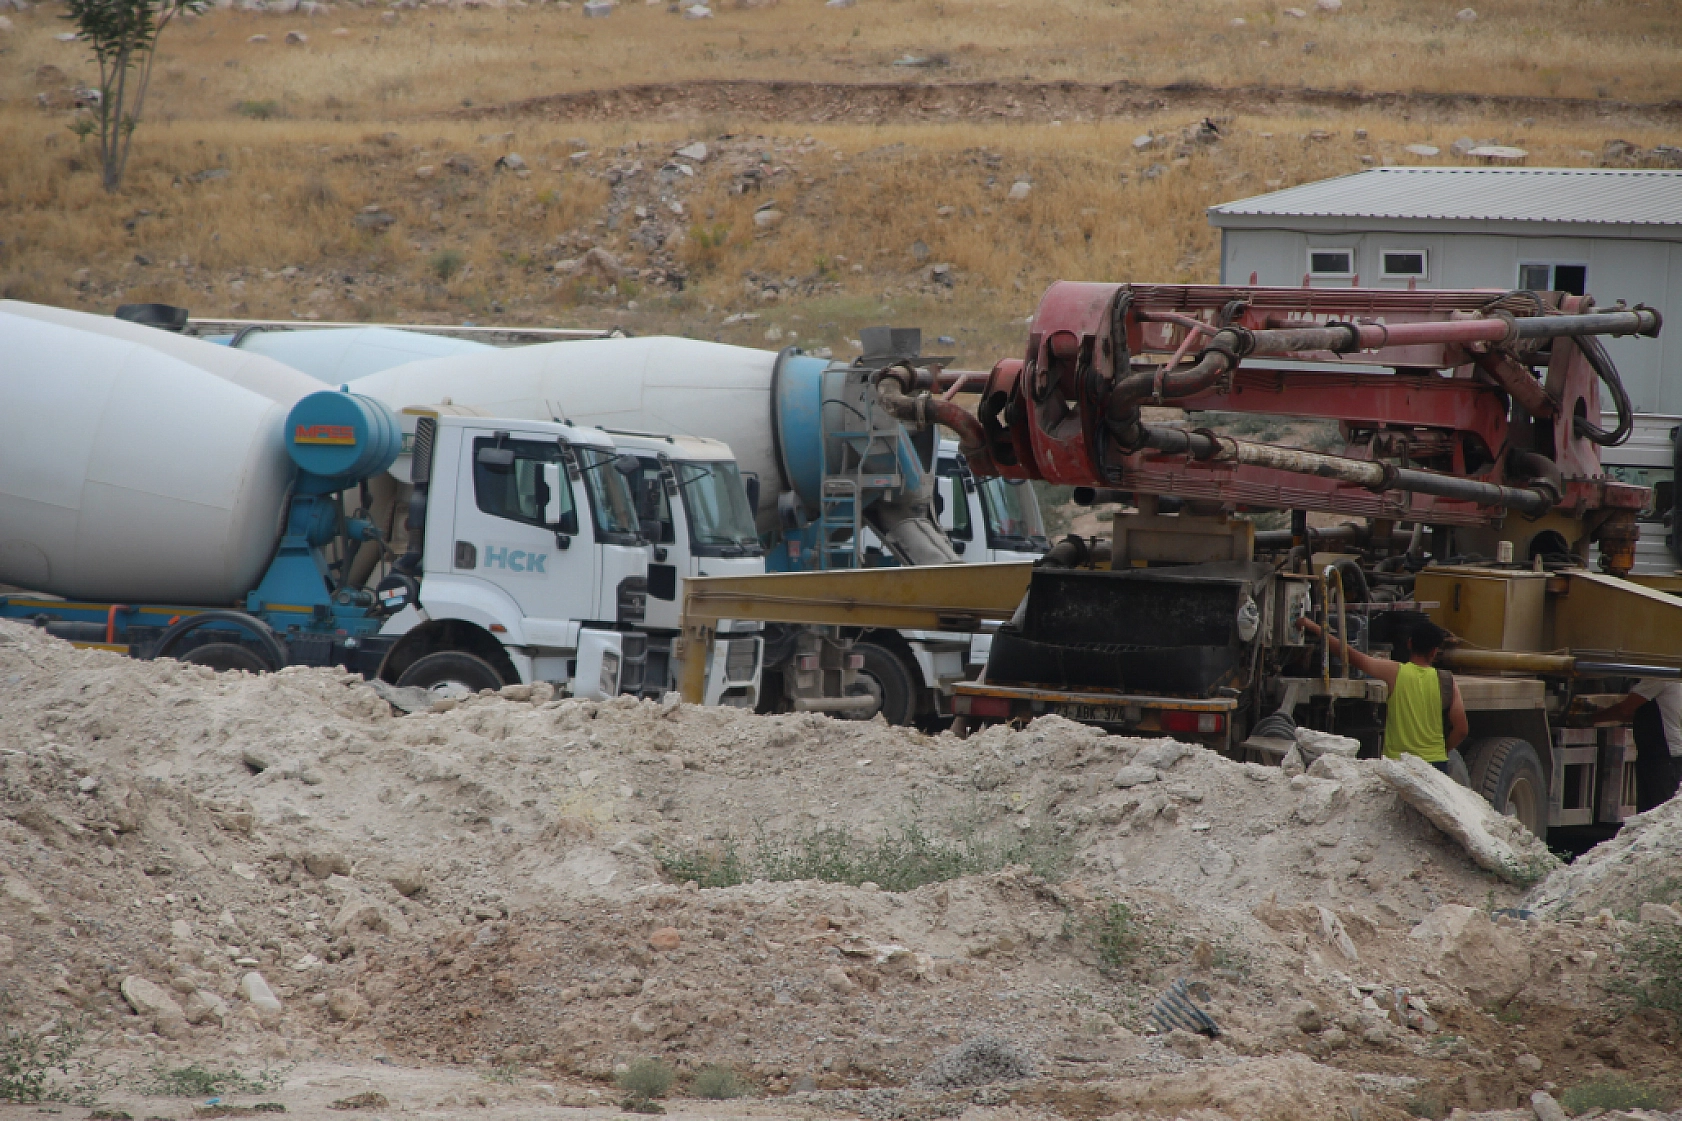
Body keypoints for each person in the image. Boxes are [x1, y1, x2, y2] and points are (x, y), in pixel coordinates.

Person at [1297, 616, 1468, 771]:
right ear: (1434, 652)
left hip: (1400, 765)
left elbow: (1349, 654)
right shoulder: (1447, 680)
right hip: (1435, 764)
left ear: (1409, 644)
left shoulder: (1394, 672)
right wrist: (1441, 751)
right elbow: (1461, 729)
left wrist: (1313, 626)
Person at [1592, 679, 1682, 811]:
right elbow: (1636, 715)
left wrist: (1590, 718)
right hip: (1660, 755)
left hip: (1663, 755)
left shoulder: (1659, 679)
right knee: (1651, 812)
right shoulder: (1671, 679)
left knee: (1658, 810)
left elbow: (1625, 709)